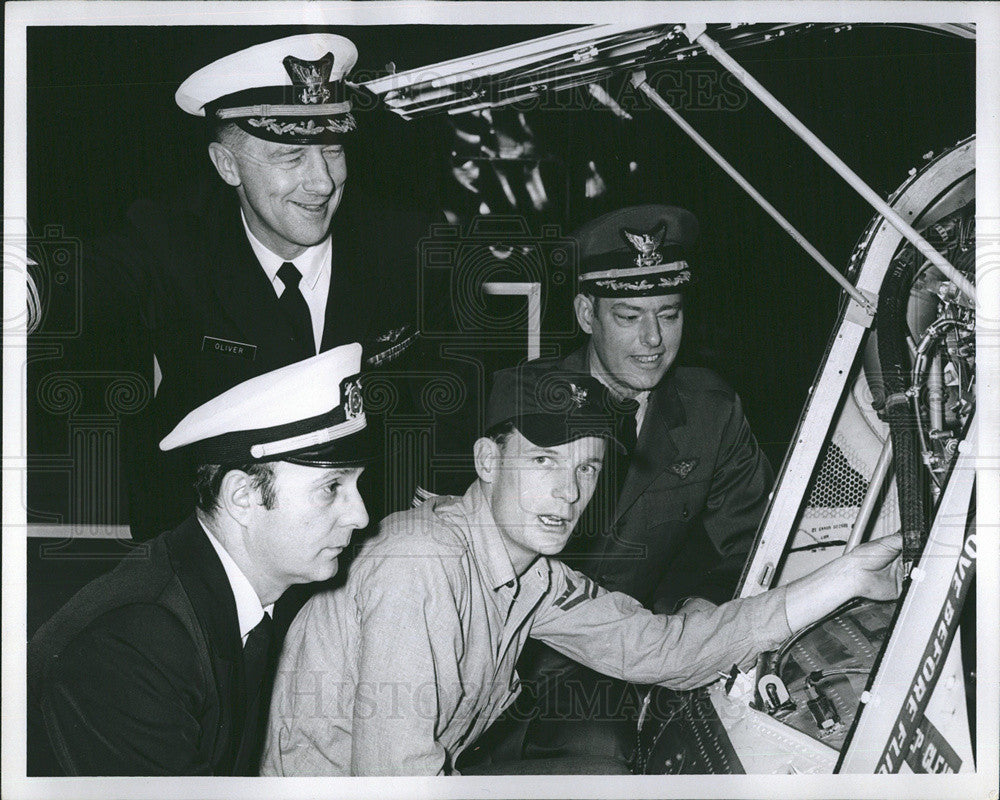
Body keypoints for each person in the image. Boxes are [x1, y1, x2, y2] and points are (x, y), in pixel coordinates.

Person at [260, 361, 902, 776]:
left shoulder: (530, 573)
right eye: (543, 461)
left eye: (587, 468)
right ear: (487, 460)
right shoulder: (417, 567)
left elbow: (663, 648)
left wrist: (844, 578)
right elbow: (396, 780)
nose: (568, 494)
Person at [461, 203, 775, 771]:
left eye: (669, 315)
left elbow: (751, 542)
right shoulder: (519, 404)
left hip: (625, 669)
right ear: (586, 313)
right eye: (629, 317)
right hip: (498, 667)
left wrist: (699, 601)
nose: (653, 340)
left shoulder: (712, 412)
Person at [79, 34, 417, 539]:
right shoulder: (169, 243)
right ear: (227, 165)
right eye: (289, 158)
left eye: (332, 150)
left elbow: (442, 399)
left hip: (362, 536)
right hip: (208, 536)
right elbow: (87, 278)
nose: (322, 182)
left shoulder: (405, 247)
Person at [27, 343, 371, 776]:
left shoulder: (235, 601)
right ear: (242, 498)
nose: (360, 515)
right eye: (331, 487)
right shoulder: (138, 642)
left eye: (357, 485)